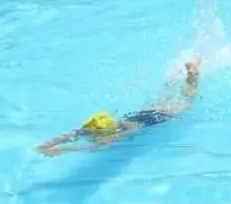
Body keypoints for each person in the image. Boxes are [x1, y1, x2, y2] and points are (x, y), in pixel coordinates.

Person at [38, 60, 201, 155]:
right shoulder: (104, 127)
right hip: (143, 114)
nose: (89, 134)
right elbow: (70, 135)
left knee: (187, 100)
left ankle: (193, 76)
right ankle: (176, 77)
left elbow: (93, 147)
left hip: (159, 117)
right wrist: (47, 145)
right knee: (163, 97)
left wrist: (62, 150)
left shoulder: (122, 132)